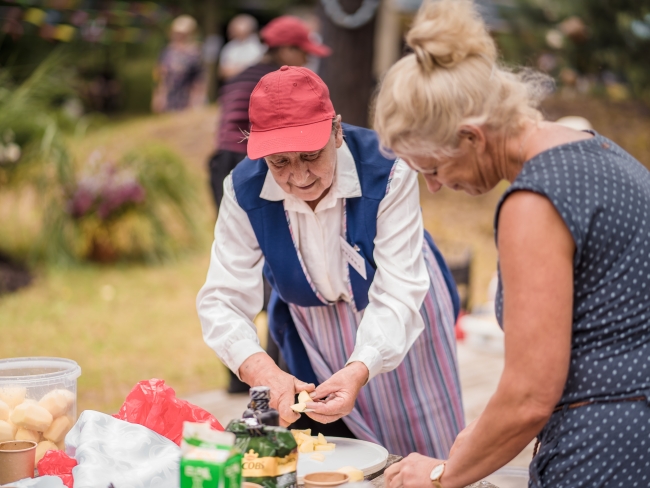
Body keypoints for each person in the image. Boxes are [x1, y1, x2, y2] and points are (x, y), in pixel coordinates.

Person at [373, 1, 650, 486]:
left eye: (433, 169)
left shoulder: (534, 202)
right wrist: (480, 433)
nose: (435, 187)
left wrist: (440, 475)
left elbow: (530, 395)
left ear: (472, 136)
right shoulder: (593, 149)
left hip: (605, 448)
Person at [197, 66, 465, 457]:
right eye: (279, 163)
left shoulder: (389, 169)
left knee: (424, 452)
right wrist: (261, 370)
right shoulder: (242, 190)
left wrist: (361, 366)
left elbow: (399, 288)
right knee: (330, 453)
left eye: (311, 155)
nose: (300, 176)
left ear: (336, 131)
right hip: (313, 324)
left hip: (401, 311)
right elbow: (223, 298)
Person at [208, 16, 331, 210]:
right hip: (252, 163)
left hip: (221, 161)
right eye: (305, 52)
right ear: (287, 50)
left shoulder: (240, 76)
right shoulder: (277, 83)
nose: (307, 59)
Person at [152, 15, 205, 113]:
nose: (178, 36)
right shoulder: (167, 51)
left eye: (182, 33)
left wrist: (197, 99)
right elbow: (160, 75)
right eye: (176, 32)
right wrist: (158, 96)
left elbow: (199, 79)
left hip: (187, 96)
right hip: (169, 96)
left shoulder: (195, 52)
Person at [218, 14, 266, 81]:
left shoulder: (260, 46)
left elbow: (262, 67)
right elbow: (223, 72)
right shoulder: (229, 47)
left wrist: (236, 70)